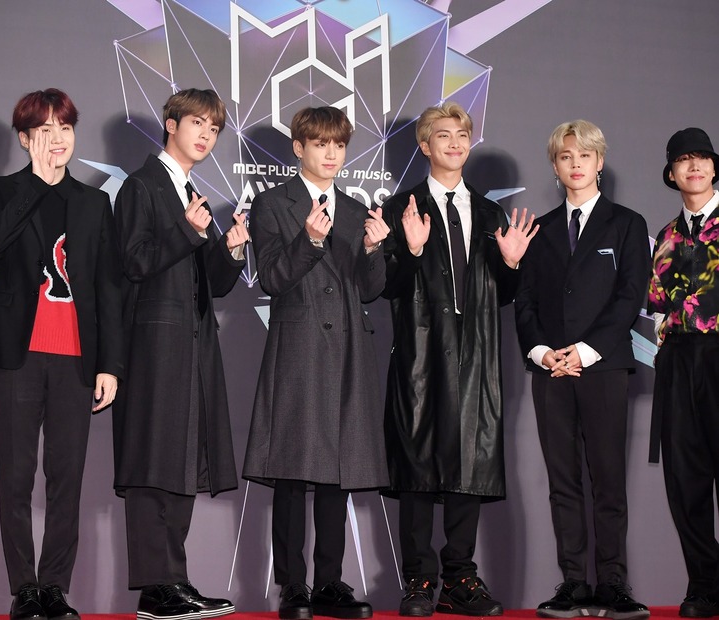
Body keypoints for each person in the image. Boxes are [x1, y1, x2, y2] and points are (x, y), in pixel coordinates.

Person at [0, 88, 124, 620]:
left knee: (67, 479)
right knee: (14, 478)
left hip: (76, 357)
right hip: (18, 354)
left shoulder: (93, 203)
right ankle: (24, 590)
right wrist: (35, 183)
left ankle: (55, 587)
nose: (57, 139)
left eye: (65, 127)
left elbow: (108, 288)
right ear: (24, 139)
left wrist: (109, 365)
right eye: (44, 130)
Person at [380, 102, 537, 617]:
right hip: (420, 356)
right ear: (424, 145)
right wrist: (412, 252)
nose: (454, 143)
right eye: (443, 135)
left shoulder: (491, 215)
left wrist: (511, 264)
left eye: (462, 135)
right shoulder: (400, 207)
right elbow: (385, 287)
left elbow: (505, 294)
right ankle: (419, 579)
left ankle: (460, 578)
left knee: (471, 461)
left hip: (477, 356)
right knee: (418, 464)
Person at [243, 105, 390, 620]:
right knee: (291, 468)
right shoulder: (271, 204)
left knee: (337, 471)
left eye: (339, 145)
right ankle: (293, 586)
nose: (331, 154)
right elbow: (271, 278)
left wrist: (373, 250)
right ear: (298, 147)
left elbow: (370, 290)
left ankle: (330, 582)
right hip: (298, 346)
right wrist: (308, 240)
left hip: (347, 349)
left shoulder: (354, 208)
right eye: (321, 144)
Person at [113, 87, 248, 620]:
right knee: (153, 462)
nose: (206, 136)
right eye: (197, 124)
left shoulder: (194, 196)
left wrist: (230, 249)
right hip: (152, 345)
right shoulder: (140, 186)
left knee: (184, 461)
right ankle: (156, 587)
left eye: (214, 129)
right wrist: (188, 232)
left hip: (195, 344)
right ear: (171, 124)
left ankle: (172, 581)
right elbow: (133, 262)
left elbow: (214, 283)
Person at [514, 120, 650, 619]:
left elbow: (630, 295)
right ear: (555, 166)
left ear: (600, 162)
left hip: (603, 367)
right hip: (551, 371)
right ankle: (573, 582)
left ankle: (612, 582)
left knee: (609, 481)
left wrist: (586, 350)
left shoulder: (627, 223)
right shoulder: (540, 228)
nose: (576, 164)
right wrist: (542, 352)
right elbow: (525, 300)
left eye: (585, 156)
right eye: (566, 156)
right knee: (563, 481)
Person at [648, 127, 719, 618]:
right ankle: (704, 585)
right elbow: (656, 302)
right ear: (672, 173)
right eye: (684, 160)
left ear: (714, 168)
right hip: (677, 360)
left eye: (702, 158)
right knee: (685, 478)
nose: (694, 166)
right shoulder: (667, 234)